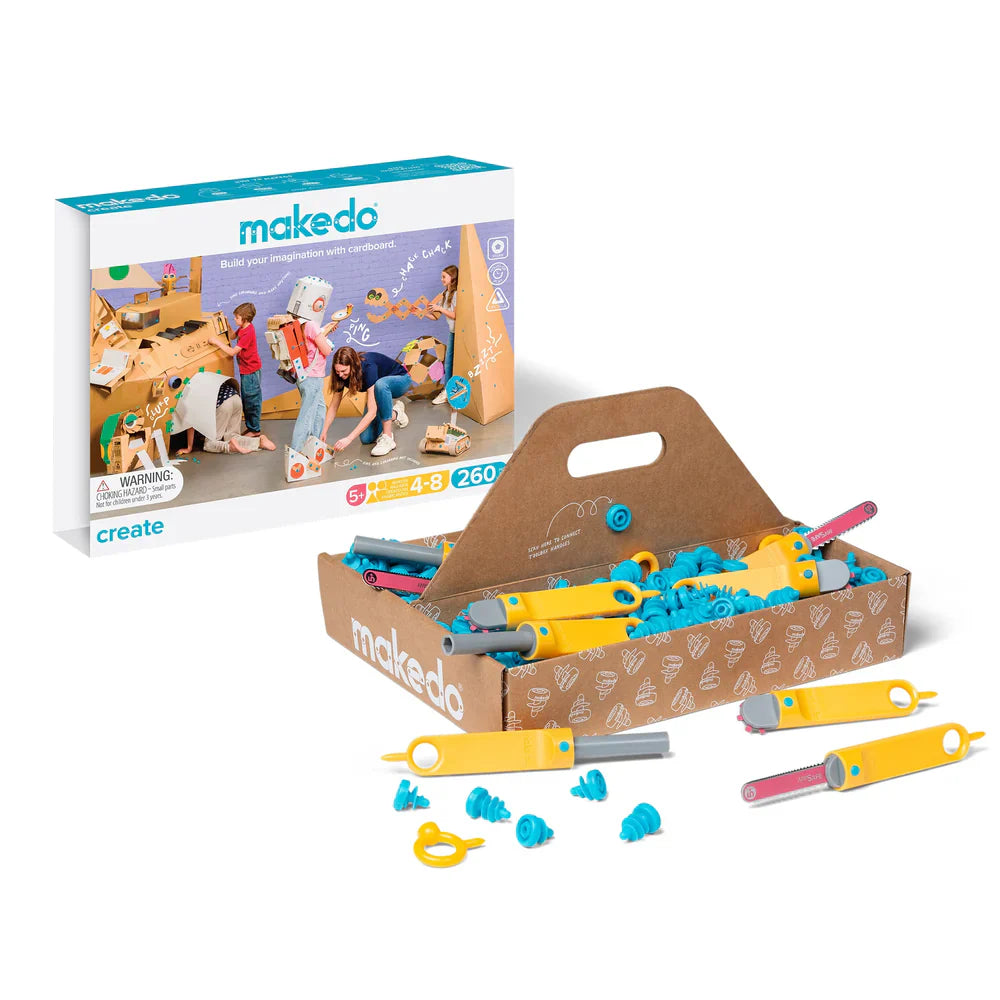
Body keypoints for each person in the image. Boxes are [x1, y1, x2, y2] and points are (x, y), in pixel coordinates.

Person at [320, 346, 412, 457]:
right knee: (366, 438)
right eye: (337, 371)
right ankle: (396, 413)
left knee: (380, 384)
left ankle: (388, 438)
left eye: (344, 371)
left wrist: (349, 438)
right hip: (380, 393)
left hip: (401, 381)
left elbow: (372, 412)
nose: (340, 375)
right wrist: (324, 431)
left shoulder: (368, 367)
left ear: (353, 366)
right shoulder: (340, 376)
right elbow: (334, 407)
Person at [177, 379, 276, 456]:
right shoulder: (200, 381)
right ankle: (259, 442)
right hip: (235, 397)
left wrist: (189, 448)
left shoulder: (188, 397)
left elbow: (191, 423)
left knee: (209, 443)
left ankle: (229, 447)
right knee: (232, 436)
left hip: (223, 403)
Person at [208, 302, 263, 436]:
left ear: (245, 319)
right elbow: (233, 336)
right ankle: (251, 427)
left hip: (251, 371)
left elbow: (232, 352)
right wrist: (226, 323)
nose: (235, 319)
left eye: (237, 318)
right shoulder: (243, 328)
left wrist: (216, 342)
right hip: (246, 370)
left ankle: (255, 430)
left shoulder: (248, 332)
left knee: (251, 400)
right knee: (247, 399)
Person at [289, 313, 337, 453]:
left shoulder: (297, 325)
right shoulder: (311, 325)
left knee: (319, 411)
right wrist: (325, 339)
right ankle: (296, 452)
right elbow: (326, 350)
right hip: (313, 376)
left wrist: (324, 331)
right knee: (307, 416)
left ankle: (315, 445)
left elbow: (310, 342)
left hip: (303, 376)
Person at [427, 265, 458, 404]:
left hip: (460, 333)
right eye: (441, 277)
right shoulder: (444, 294)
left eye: (444, 277)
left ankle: (448, 391)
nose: (442, 279)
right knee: (449, 362)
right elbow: (435, 317)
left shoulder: (456, 294)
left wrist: (439, 308)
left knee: (452, 362)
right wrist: (421, 313)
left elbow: (455, 315)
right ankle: (448, 390)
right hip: (453, 331)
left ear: (452, 277)